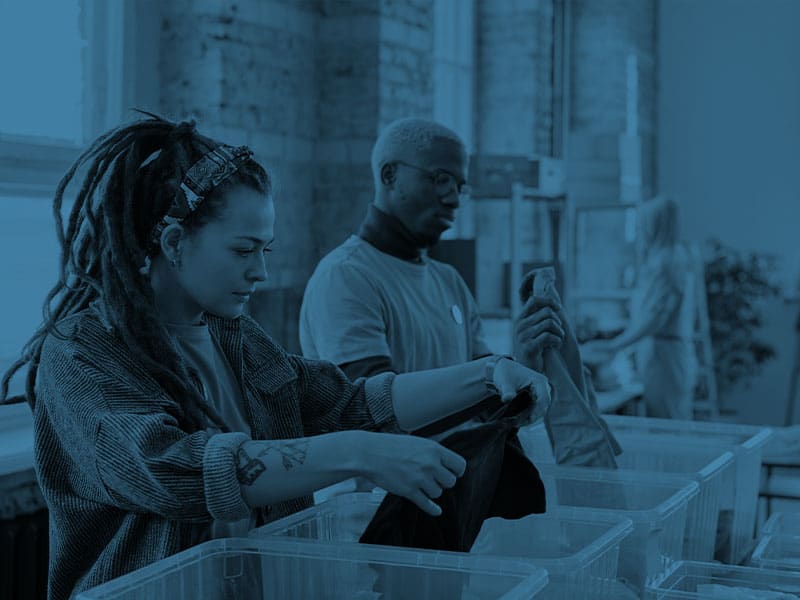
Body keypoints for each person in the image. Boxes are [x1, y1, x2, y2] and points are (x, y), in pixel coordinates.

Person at [0, 116, 552, 600]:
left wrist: (487, 374)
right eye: (243, 250)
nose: (259, 273)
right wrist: (357, 452)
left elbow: (346, 402)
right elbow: (172, 470)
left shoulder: (233, 335)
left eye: (265, 250)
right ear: (172, 243)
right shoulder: (80, 352)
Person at [300, 117, 619, 468]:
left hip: (447, 500)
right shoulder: (348, 277)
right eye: (440, 179)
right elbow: (372, 415)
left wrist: (522, 363)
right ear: (389, 175)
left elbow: (487, 411)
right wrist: (491, 376)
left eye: (460, 186)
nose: (453, 198)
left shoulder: (448, 280)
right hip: (373, 511)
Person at [582, 195, 698, 419]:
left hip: (665, 357)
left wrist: (615, 345)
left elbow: (655, 319)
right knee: (670, 420)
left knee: (670, 427)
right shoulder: (672, 256)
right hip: (663, 354)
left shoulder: (667, 261)